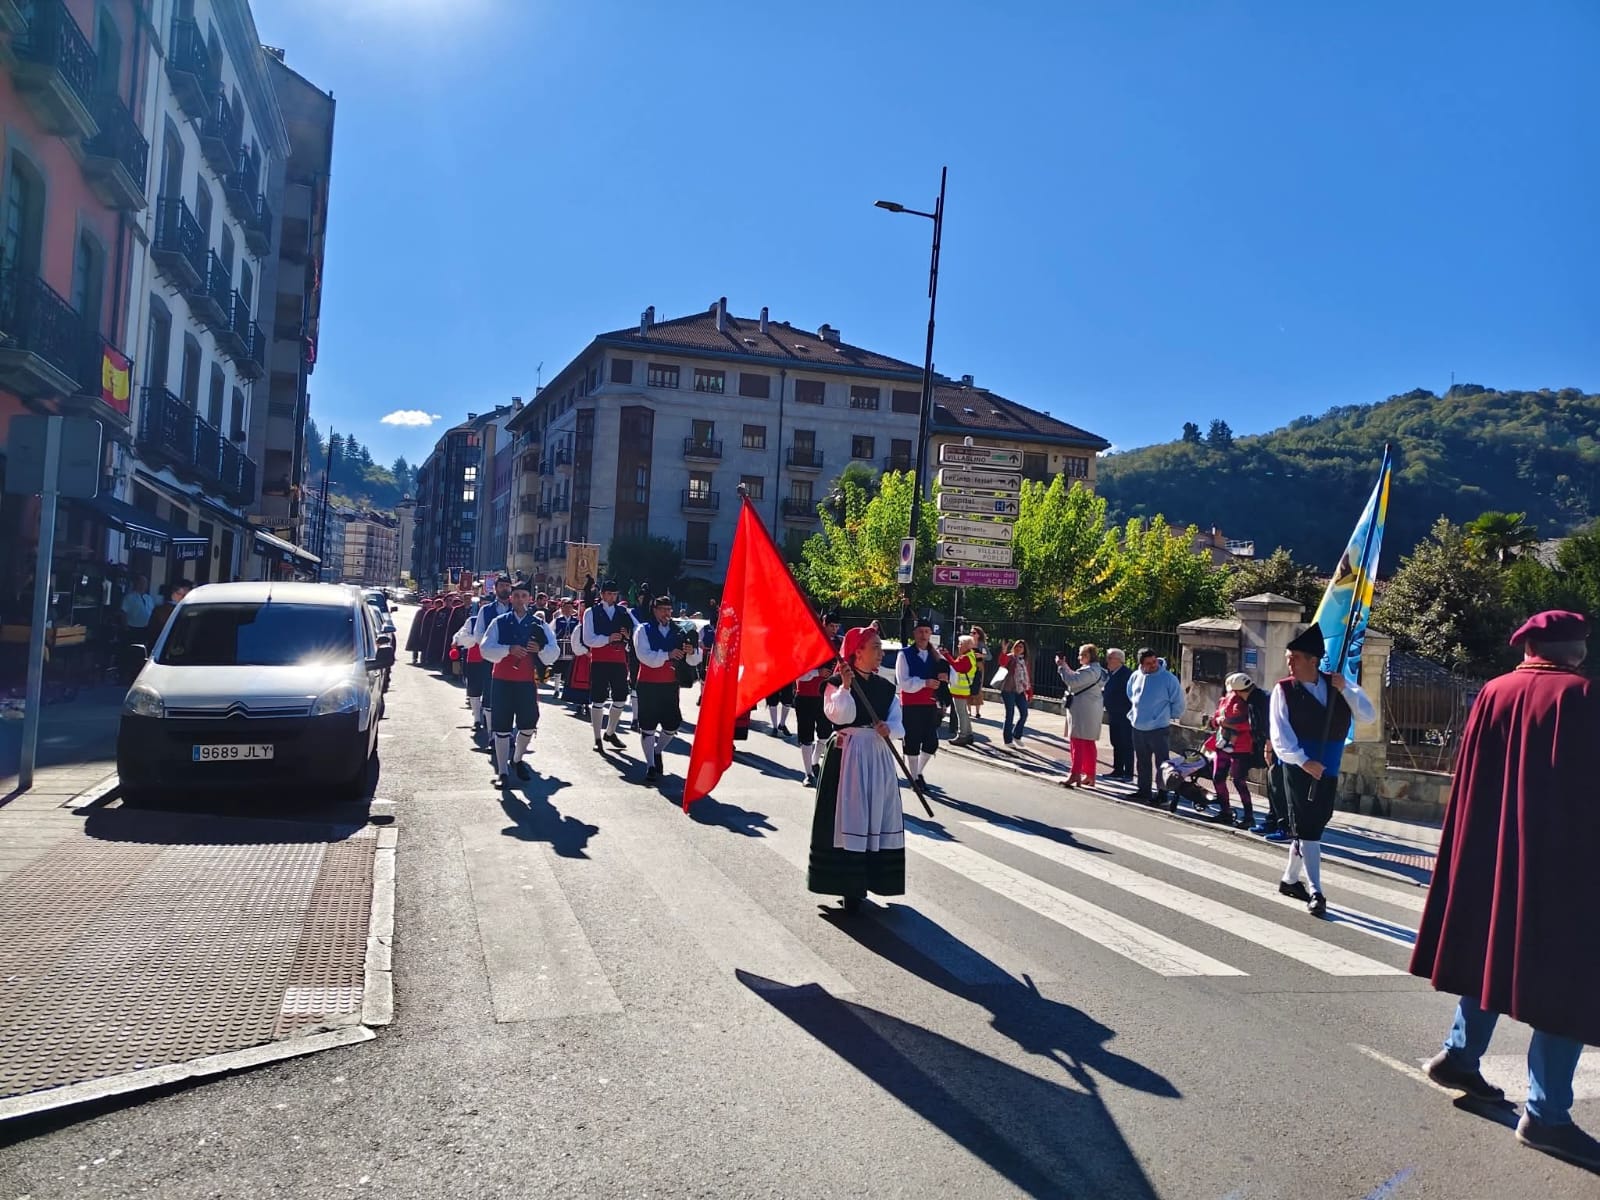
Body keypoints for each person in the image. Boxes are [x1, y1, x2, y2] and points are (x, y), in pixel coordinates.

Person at [1407, 610, 1600, 1168]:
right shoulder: (1584, 698)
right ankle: (1545, 1115)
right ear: (1577, 649)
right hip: (1562, 866)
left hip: (1492, 856)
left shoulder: (1494, 691)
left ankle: (1460, 1057)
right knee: (1567, 980)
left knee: (1492, 952)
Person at [1268, 623, 1375, 917]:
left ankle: (1290, 880)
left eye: (1295, 658)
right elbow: (1280, 735)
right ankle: (1316, 891)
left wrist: (1347, 689)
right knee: (1308, 830)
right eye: (1289, 658)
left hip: (1329, 768)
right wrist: (1303, 760)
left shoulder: (1338, 685)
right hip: (1298, 768)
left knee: (1315, 825)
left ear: (1313, 660)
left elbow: (1367, 714)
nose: (1289, 663)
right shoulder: (1284, 690)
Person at [807, 625, 906, 914]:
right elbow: (839, 715)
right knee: (849, 817)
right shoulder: (836, 683)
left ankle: (875, 877)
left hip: (877, 756)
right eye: (875, 647)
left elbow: (899, 723)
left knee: (876, 816)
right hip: (847, 756)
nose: (880, 653)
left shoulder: (886, 687)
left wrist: (890, 729)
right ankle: (847, 884)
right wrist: (847, 688)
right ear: (857, 652)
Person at [479, 581, 559, 787]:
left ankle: (516, 759)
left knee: (529, 724)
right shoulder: (499, 621)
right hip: (502, 680)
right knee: (502, 725)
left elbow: (554, 652)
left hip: (526, 681)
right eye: (516, 596)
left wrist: (539, 648)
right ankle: (503, 772)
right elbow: (486, 649)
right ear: (511, 598)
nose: (520, 600)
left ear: (529, 599)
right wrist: (508, 649)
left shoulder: (539, 624)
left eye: (524, 596)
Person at [632, 596, 701, 783]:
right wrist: (667, 655)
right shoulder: (643, 630)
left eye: (669, 610)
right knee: (647, 725)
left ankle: (657, 750)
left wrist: (691, 651)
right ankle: (650, 765)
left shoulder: (680, 631)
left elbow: (696, 659)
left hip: (670, 684)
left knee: (672, 724)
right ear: (654, 610)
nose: (667, 613)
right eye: (663, 609)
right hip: (648, 683)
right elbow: (644, 656)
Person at [582, 579, 635, 753]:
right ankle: (597, 737)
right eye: (609, 593)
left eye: (615, 594)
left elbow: (636, 633)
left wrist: (627, 636)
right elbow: (588, 639)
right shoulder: (591, 612)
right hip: (599, 660)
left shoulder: (623, 612)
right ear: (602, 594)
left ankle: (610, 731)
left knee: (621, 697)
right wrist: (608, 639)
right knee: (598, 699)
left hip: (619, 660)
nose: (612, 597)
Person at [455, 576, 513, 735]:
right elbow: (479, 635)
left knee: (510, 695)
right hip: (490, 659)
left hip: (513, 660)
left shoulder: (517, 609)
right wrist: (496, 648)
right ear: (495, 588)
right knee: (490, 693)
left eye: (508, 586)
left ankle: (506, 731)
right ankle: (491, 733)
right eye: (502, 585)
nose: (505, 588)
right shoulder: (485, 610)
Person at [895, 615, 948, 789]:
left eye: (926, 631)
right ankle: (914, 777)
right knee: (912, 741)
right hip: (911, 704)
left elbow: (951, 675)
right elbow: (903, 681)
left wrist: (945, 677)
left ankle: (917, 772)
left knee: (931, 742)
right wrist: (924, 683)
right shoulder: (904, 654)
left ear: (931, 633)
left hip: (930, 704)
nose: (923, 635)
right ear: (914, 633)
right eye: (920, 631)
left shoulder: (937, 655)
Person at [1127, 647, 1184, 806]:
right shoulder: (1135, 676)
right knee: (1142, 761)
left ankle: (1162, 793)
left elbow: (1178, 702)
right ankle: (1143, 790)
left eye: (1154, 661)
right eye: (1148, 663)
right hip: (1138, 726)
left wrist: (1167, 716)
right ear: (1141, 664)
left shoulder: (1168, 678)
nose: (1153, 665)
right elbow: (1130, 694)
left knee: (1162, 763)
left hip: (1159, 727)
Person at [793, 613, 842, 785]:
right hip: (805, 695)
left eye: (837, 627)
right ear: (824, 624)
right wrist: (817, 673)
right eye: (831, 627)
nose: (834, 630)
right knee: (806, 737)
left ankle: (814, 762)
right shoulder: (808, 642)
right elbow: (799, 672)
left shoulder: (837, 644)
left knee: (824, 735)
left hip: (824, 696)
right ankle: (808, 774)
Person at [1207, 673, 1257, 828]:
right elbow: (1217, 717)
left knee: (1238, 781)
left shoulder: (1249, 702)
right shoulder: (1225, 699)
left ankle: (1249, 816)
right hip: (1222, 743)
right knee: (1218, 777)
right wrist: (1217, 721)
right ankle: (1225, 812)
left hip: (1241, 746)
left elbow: (1249, 725)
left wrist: (1227, 724)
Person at [1057, 644, 1108, 787]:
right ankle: (1090, 775)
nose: (1079, 657)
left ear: (1089, 656)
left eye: (1082, 655)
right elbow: (1078, 677)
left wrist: (1061, 667)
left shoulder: (1089, 671)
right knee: (1088, 743)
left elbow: (1073, 682)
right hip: (1091, 708)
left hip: (1082, 710)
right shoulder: (1099, 671)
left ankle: (1075, 774)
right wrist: (1066, 665)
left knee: (1077, 742)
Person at [1102, 648, 1134, 781]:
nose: (1107, 661)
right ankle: (1118, 769)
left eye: (1110, 658)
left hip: (1124, 714)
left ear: (1119, 660)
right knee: (1116, 741)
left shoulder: (1126, 674)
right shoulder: (1112, 673)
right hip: (1114, 713)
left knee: (1126, 743)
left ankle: (1128, 772)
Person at [943, 635, 979, 745]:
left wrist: (946, 655)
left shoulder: (965, 657)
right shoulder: (970, 655)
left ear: (966, 645)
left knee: (961, 713)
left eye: (960, 644)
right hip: (963, 689)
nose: (958, 646)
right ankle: (968, 733)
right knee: (964, 713)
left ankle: (962, 735)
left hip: (960, 689)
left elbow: (956, 666)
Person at [997, 638, 1033, 746]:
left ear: (1024, 650)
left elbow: (1027, 677)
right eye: (1017, 646)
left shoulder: (1024, 661)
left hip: (1020, 690)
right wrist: (1003, 651)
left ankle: (1017, 735)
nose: (1018, 648)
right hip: (1008, 689)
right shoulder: (1010, 657)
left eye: (1021, 647)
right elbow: (1002, 663)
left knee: (1024, 713)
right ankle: (1007, 740)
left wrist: (1029, 692)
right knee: (1010, 714)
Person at [146, 579, 191, 645]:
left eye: (186, 595)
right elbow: (152, 633)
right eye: (179, 594)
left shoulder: (192, 610)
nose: (182, 597)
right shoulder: (160, 610)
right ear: (173, 593)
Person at [968, 626, 991, 721]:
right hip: (968, 666)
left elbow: (989, 656)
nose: (972, 634)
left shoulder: (982, 645)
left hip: (979, 666)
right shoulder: (967, 643)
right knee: (967, 687)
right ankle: (969, 710)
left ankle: (977, 711)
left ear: (978, 635)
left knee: (978, 687)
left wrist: (981, 655)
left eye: (974, 633)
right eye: (971, 633)